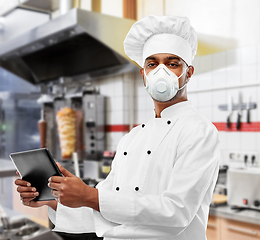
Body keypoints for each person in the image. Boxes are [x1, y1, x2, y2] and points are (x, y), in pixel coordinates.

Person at [15, 15, 220, 240]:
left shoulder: (199, 131)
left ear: (188, 73)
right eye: (152, 64)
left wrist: (89, 196)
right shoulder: (132, 138)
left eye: (172, 63)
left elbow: (176, 213)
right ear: (144, 74)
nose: (161, 72)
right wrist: (54, 201)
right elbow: (107, 211)